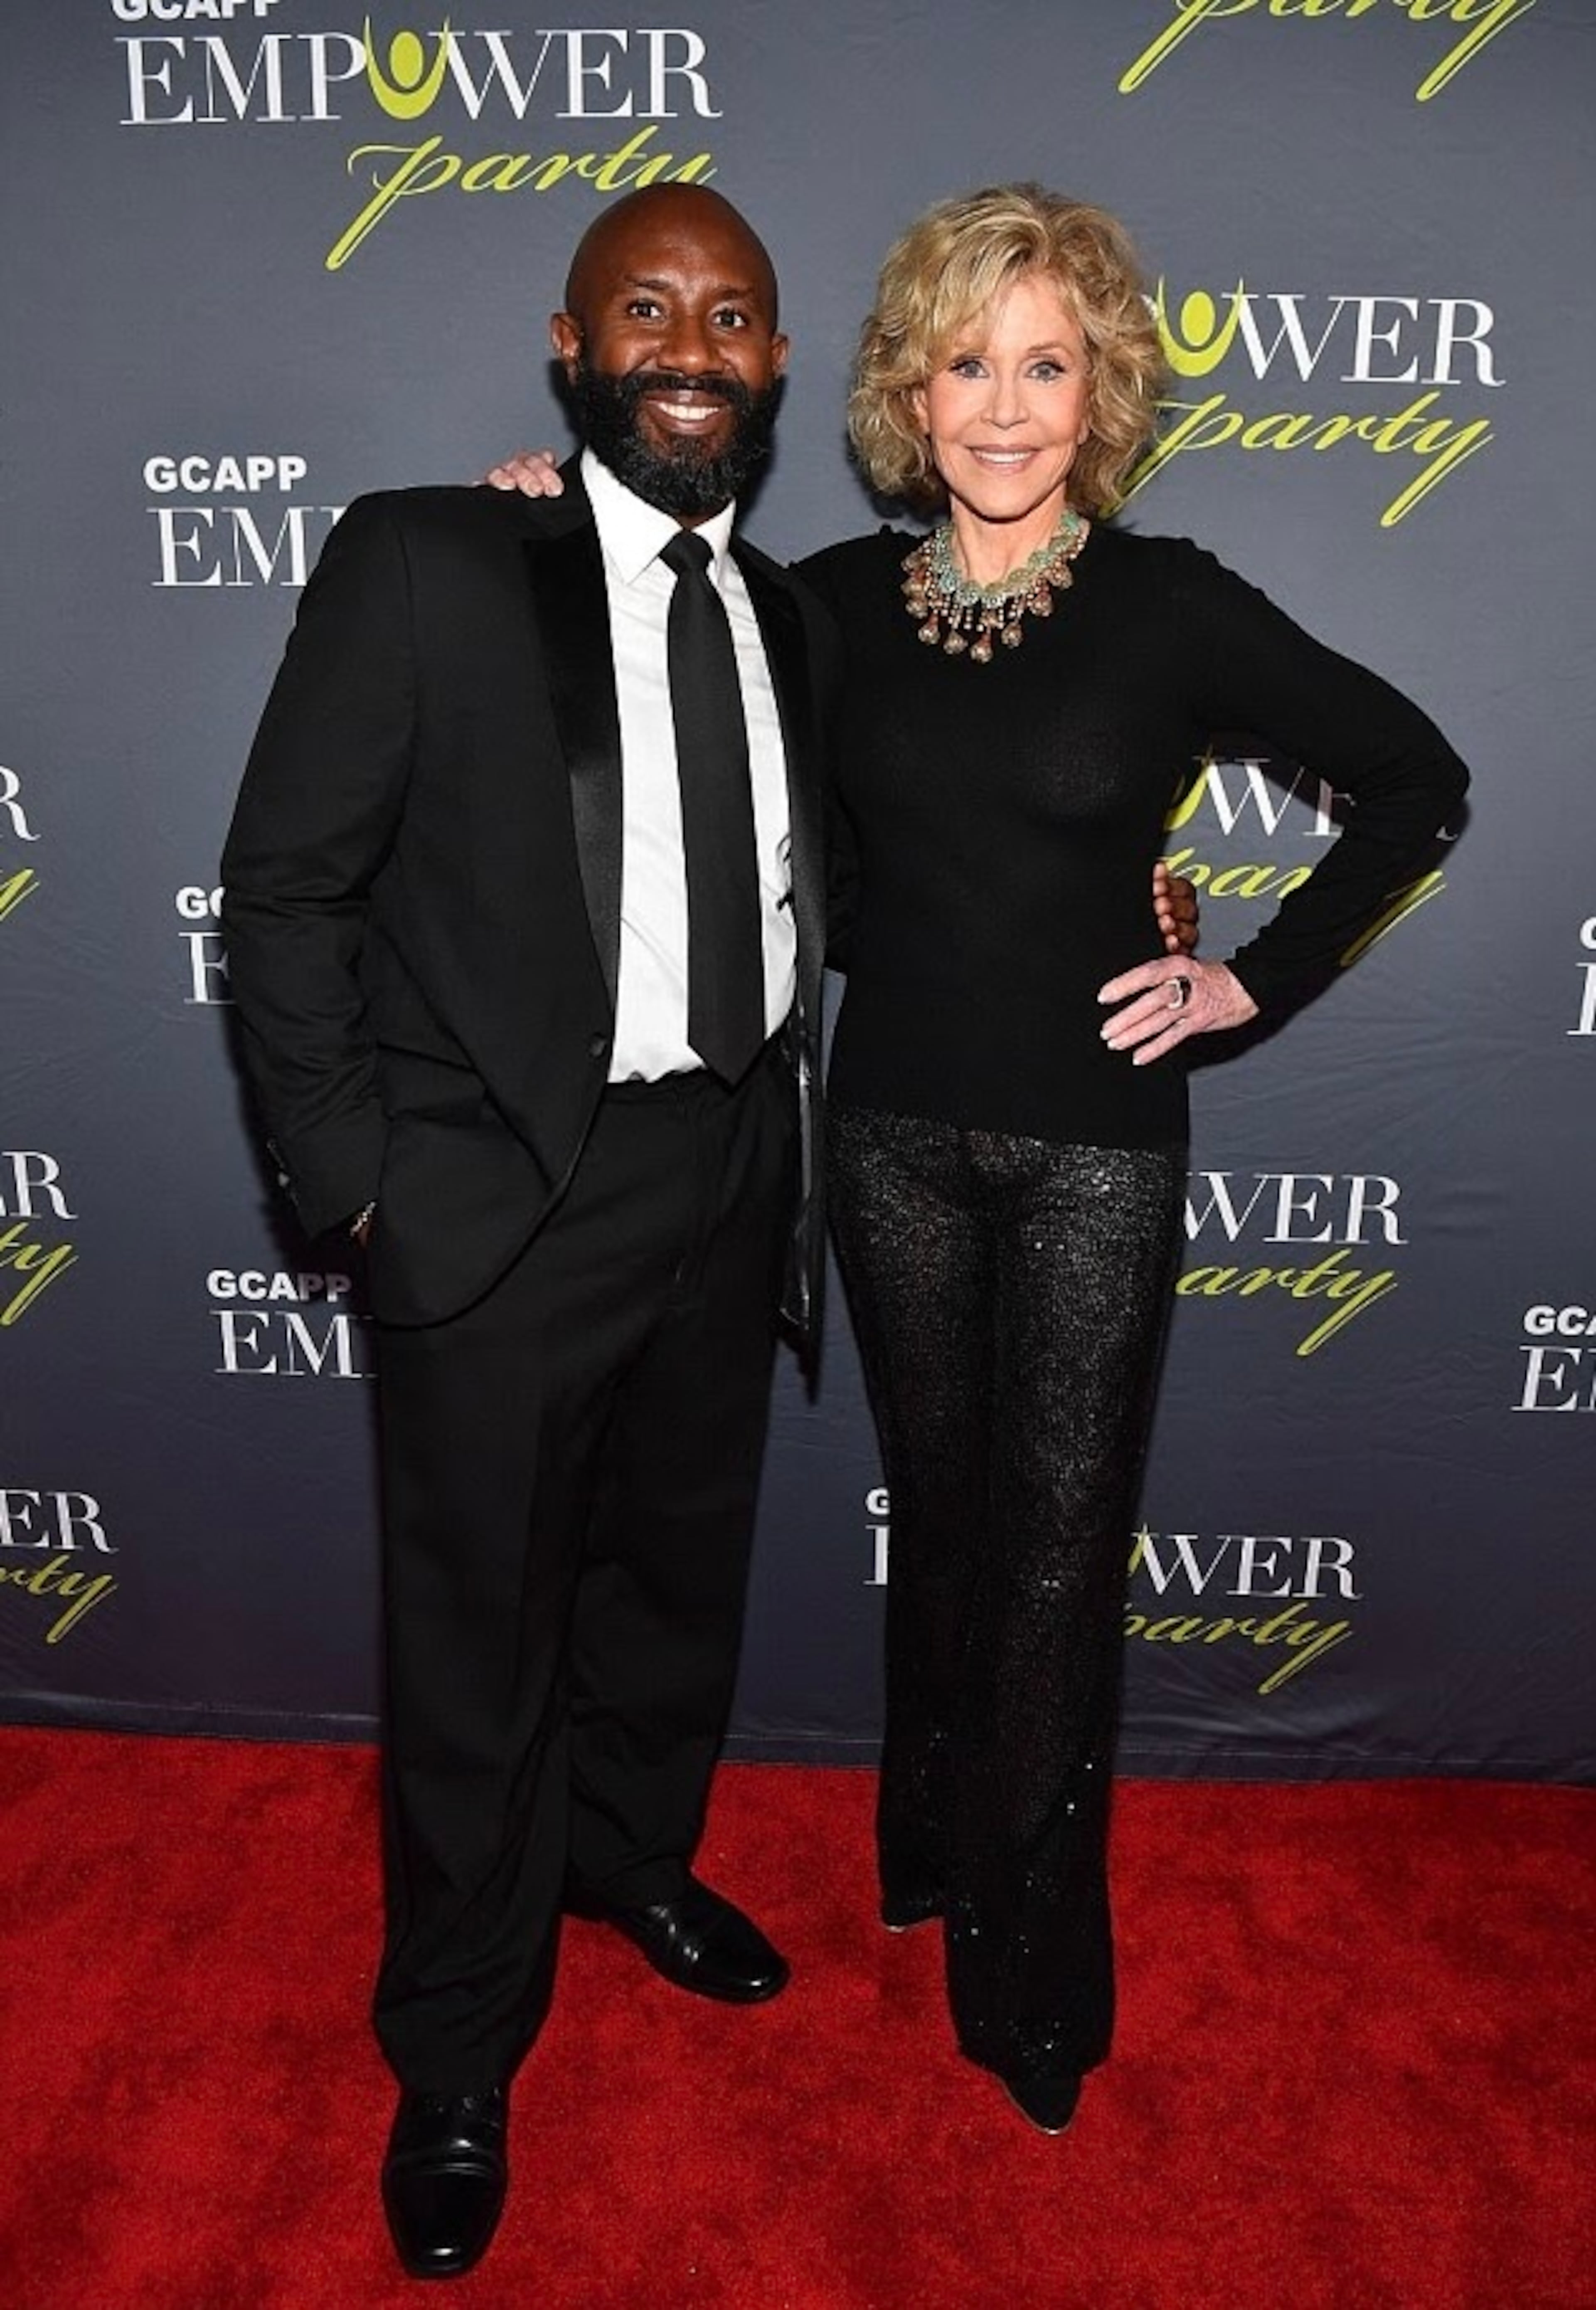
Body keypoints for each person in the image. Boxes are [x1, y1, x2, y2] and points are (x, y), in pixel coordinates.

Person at [494, 184, 1468, 2139]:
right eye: (967, 364)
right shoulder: (835, 603)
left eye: (1045, 365)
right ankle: (930, 1843)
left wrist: (1247, 982)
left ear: (1098, 387)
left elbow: (1417, 779)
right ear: (905, 388)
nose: (1004, 408)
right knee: (942, 1527)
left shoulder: (1173, 600)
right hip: (887, 1142)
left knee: (1048, 1567)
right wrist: (544, 519)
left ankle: (1032, 1974)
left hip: (1098, 1151)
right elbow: (664, 664)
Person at [221, 184, 836, 2281]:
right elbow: (284, 894)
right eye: (644, 309)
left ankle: (632, 1858)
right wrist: (357, 1179)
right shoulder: (429, 556)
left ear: (773, 370)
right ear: (568, 350)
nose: (691, 341)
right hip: (499, 1197)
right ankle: (459, 2046)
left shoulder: (801, 608)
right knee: (480, 1644)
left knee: (672, 1578)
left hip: (735, 1169)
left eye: (732, 316)